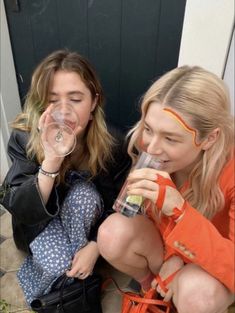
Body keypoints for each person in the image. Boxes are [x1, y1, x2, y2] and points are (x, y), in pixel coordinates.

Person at [97, 65, 235, 313]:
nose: (151, 147)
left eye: (170, 138)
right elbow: (152, 218)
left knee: (198, 296)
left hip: (219, 263)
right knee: (111, 234)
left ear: (209, 139)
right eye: (148, 129)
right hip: (180, 249)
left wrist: (181, 212)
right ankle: (156, 291)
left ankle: (182, 293)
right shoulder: (153, 151)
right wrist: (173, 258)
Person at [1, 50, 130, 305]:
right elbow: (19, 207)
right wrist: (51, 159)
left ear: (93, 102)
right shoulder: (24, 137)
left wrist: (95, 246)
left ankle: (70, 275)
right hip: (38, 223)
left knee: (84, 193)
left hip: (82, 220)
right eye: (52, 100)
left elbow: (121, 204)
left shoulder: (114, 143)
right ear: (41, 104)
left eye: (75, 99)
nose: (63, 111)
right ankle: (68, 285)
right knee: (58, 264)